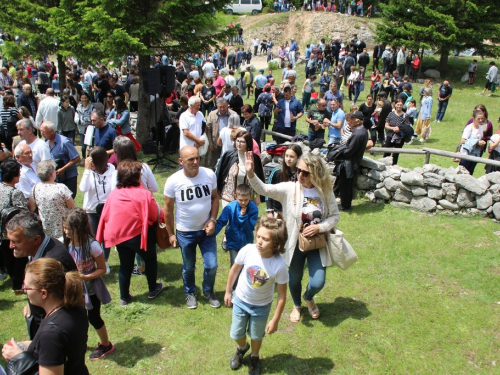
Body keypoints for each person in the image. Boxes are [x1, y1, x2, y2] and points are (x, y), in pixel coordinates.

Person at [245, 152, 339, 323]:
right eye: (298, 170)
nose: (300, 175)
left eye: (305, 172)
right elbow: (264, 189)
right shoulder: (290, 188)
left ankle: (308, 297)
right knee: (294, 279)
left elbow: (334, 216)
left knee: (318, 282)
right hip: (295, 243)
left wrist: (319, 227)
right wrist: (251, 173)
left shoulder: (324, 191)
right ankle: (297, 305)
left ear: (315, 173)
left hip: (317, 243)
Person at [224, 215, 288, 375]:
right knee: (236, 333)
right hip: (240, 300)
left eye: (265, 239)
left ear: (276, 243)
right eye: (258, 236)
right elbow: (235, 269)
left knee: (256, 336)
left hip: (261, 307)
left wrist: (275, 320)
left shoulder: (279, 265)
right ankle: (242, 348)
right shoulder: (247, 250)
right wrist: (227, 291)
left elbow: (282, 296)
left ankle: (254, 357)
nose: (259, 241)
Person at [1, 258, 89, 374]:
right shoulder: (77, 309)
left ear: (43, 293)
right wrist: (31, 346)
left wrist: (18, 358)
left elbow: (53, 341)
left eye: (27, 287)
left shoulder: (51, 333)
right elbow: (62, 347)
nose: (24, 290)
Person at [97, 160, 163, 306]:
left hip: (119, 237)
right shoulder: (144, 194)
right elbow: (155, 215)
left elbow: (107, 215)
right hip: (139, 237)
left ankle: (124, 297)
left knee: (125, 266)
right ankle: (153, 289)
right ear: (136, 177)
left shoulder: (113, 194)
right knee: (150, 260)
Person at [164, 146, 220, 309]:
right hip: (185, 232)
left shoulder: (209, 174)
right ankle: (190, 292)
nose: (195, 162)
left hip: (206, 231)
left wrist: (213, 220)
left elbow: (215, 198)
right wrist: (170, 234)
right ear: (181, 161)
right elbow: (168, 210)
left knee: (211, 265)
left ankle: (208, 291)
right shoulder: (173, 181)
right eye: (191, 159)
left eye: (197, 158)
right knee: (188, 266)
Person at [6, 212, 77, 339]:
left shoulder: (54, 261)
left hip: (51, 336)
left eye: (16, 241)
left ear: (36, 239)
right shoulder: (37, 249)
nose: (10, 246)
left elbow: (65, 307)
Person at [62, 208, 114, 360]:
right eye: (65, 228)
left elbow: (103, 269)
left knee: (94, 318)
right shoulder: (66, 243)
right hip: (74, 290)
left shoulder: (93, 246)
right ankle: (79, 343)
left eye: (69, 229)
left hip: (91, 291)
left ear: (80, 228)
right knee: (76, 317)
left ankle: (106, 345)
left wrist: (85, 277)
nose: (66, 232)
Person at [79, 146, 115, 271]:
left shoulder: (112, 172)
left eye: (91, 160)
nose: (89, 162)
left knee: (106, 237)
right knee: (93, 238)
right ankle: (93, 262)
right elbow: (83, 188)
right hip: (92, 210)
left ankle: (104, 261)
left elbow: (114, 191)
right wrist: (87, 171)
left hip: (107, 210)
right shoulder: (89, 173)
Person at [0, 160, 29, 291]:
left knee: (7, 257)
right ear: (15, 175)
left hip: (1, 232)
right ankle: (17, 285)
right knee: (19, 258)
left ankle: (14, 281)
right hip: (13, 231)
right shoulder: (15, 193)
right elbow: (24, 213)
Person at [216, 130, 265, 208]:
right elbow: (219, 173)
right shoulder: (228, 155)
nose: (239, 143)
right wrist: (217, 190)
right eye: (237, 141)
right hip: (229, 198)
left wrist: (258, 195)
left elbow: (259, 177)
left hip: (246, 199)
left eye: (242, 142)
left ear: (248, 143)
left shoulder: (254, 158)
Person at [215, 184, 258, 267]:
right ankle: (234, 280)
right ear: (235, 196)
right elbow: (221, 222)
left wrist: (243, 216)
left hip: (247, 243)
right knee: (234, 266)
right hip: (233, 242)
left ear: (250, 196)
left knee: (246, 266)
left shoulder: (253, 209)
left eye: (246, 200)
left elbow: (250, 228)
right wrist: (212, 234)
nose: (243, 202)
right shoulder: (230, 207)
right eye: (241, 200)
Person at [31, 160, 75, 239]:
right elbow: (72, 208)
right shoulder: (61, 188)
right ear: (52, 174)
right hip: (63, 229)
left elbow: (32, 207)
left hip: (45, 229)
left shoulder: (35, 187)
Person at [336, 111, 368, 211]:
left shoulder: (358, 133)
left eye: (353, 119)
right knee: (346, 184)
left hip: (349, 163)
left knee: (345, 185)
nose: (350, 121)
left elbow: (349, 151)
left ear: (358, 121)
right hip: (351, 162)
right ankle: (345, 204)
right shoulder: (361, 130)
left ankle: (345, 205)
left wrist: (339, 152)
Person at [40, 121, 81, 198]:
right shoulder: (44, 143)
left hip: (68, 177)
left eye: (44, 132)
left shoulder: (64, 142)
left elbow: (76, 158)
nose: (41, 134)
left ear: (52, 131)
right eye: (41, 131)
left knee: (68, 199)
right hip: (54, 177)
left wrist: (63, 169)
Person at [266, 144, 302, 215]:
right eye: (286, 156)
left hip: (296, 211)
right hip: (278, 211)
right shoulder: (277, 171)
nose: (288, 159)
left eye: (292, 156)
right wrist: (270, 212)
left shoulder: (302, 173)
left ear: (298, 157)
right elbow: (268, 192)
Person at [204, 98, 235, 170]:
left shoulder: (233, 114)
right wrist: (210, 143)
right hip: (215, 143)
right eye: (220, 107)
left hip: (229, 143)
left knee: (227, 162)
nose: (222, 109)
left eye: (224, 107)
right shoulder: (212, 114)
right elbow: (208, 129)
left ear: (227, 105)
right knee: (215, 163)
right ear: (217, 106)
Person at [383, 99, 411, 165]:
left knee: (396, 154)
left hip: (400, 137)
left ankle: (394, 167)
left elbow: (407, 127)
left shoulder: (405, 115)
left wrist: (400, 129)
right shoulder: (391, 114)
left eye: (401, 105)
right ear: (395, 105)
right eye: (398, 105)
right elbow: (386, 125)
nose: (399, 106)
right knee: (386, 152)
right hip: (390, 135)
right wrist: (393, 128)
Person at [459, 110, 486, 175]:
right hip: (466, 154)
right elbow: (463, 140)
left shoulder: (481, 128)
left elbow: (480, 138)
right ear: (473, 118)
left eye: (482, 119)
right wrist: (476, 142)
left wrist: (482, 143)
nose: (480, 120)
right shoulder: (469, 128)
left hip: (475, 154)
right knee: (463, 172)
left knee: (470, 172)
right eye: (478, 119)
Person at [75, 92, 95, 158]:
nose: (84, 99)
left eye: (85, 98)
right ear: (80, 99)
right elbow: (76, 119)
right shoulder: (78, 108)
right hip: (81, 129)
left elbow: (92, 118)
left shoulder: (92, 107)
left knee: (91, 145)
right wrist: (85, 120)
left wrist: (83, 119)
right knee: (83, 146)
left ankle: (91, 157)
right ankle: (83, 158)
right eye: (83, 98)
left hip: (90, 129)